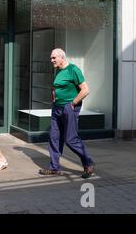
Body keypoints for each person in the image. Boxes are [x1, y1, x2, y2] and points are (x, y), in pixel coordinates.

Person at [39, 48, 95, 179]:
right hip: (56, 108)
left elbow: (85, 90)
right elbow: (56, 86)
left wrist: (73, 104)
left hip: (69, 108)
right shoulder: (58, 71)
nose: (51, 60)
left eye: (54, 58)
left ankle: (88, 162)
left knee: (70, 139)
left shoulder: (73, 70)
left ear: (62, 57)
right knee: (54, 137)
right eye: (51, 58)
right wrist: (54, 95)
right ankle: (54, 168)